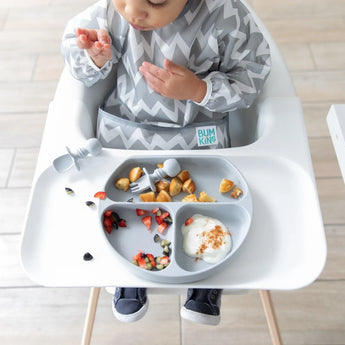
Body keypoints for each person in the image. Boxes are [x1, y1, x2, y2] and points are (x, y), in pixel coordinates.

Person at [61, 0, 271, 325]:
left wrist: (200, 89)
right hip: (125, 131)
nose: (132, 12)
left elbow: (253, 75)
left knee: (208, 196)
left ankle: (208, 275)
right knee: (124, 204)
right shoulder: (108, 12)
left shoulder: (223, 14)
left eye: (156, 1)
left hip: (198, 136)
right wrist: (94, 56)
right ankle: (130, 269)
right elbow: (74, 52)